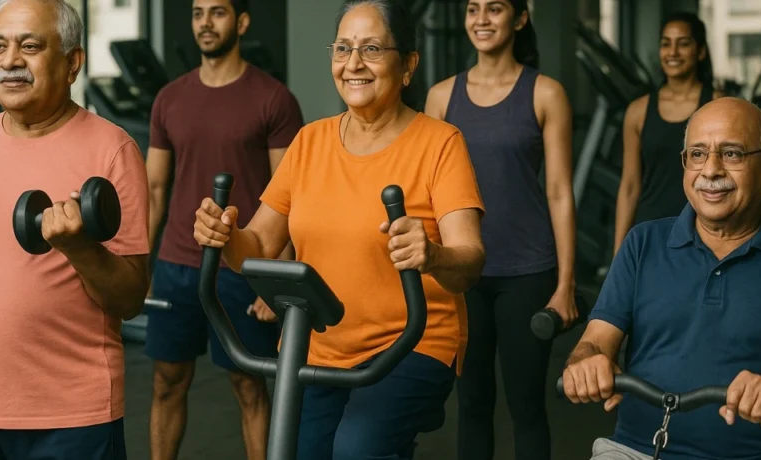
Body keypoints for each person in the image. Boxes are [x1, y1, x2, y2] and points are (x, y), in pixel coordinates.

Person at [193, 1, 486, 458]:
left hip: (412, 342)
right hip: (319, 348)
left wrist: (432, 253)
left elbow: (469, 260)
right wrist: (225, 235)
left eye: (370, 49)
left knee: (357, 447)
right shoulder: (310, 141)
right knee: (295, 450)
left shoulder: (440, 144)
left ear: (408, 64)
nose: (353, 64)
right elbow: (261, 246)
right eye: (343, 48)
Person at [0, 0, 150, 458]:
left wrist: (79, 248)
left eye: (30, 46)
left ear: (72, 62)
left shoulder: (114, 150)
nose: (10, 60)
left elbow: (131, 298)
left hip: (73, 416)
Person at [562, 98, 761, 460]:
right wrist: (585, 363)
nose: (710, 170)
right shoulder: (642, 242)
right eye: (697, 154)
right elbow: (594, 343)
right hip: (637, 450)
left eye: (732, 154)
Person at [144, 0, 304, 459]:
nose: (205, 23)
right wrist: (142, 262)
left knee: (249, 384)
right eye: (198, 13)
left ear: (242, 22)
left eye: (217, 12)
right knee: (166, 382)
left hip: (242, 264)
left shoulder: (273, 98)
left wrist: (276, 276)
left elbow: (292, 195)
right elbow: (155, 188)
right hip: (177, 263)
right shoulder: (170, 98)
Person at [423, 1, 575, 459]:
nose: (482, 19)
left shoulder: (546, 93)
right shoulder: (441, 97)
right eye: (473, 9)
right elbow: (428, 195)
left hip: (528, 273)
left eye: (495, 8)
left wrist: (566, 285)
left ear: (520, 18)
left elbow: (559, 193)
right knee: (471, 404)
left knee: (527, 407)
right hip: (461, 274)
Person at [613, 12, 722, 255]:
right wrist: (619, 252)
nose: (672, 52)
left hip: (704, 232)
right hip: (651, 230)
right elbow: (630, 185)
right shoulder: (638, 111)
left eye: (683, 44)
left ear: (701, 51)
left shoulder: (717, 106)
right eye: (666, 44)